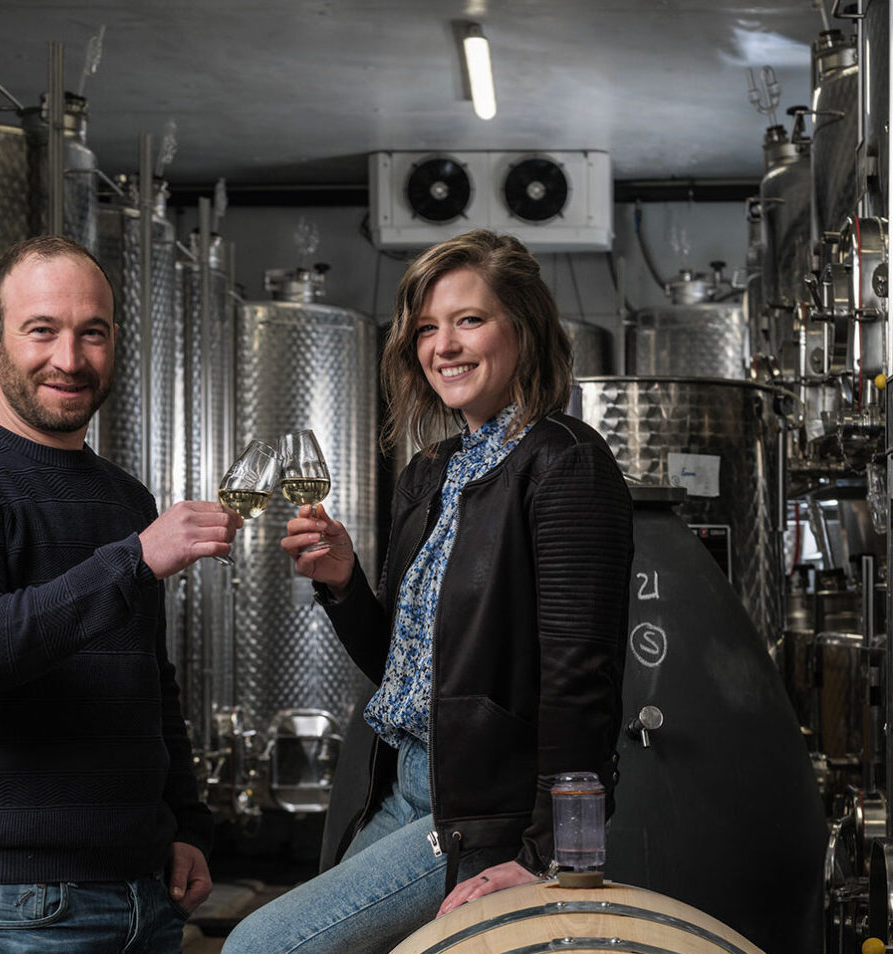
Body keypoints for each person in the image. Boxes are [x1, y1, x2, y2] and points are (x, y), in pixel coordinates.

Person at [222, 229, 634, 954]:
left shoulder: (565, 464)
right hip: (400, 786)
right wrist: (345, 585)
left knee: (261, 947)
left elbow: (582, 683)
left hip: (482, 818)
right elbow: (411, 675)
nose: (444, 345)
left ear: (525, 327)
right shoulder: (430, 473)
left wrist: (553, 855)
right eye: (426, 329)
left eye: (469, 319)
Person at [0, 234, 242, 953]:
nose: (70, 360)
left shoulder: (124, 497)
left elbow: (150, 681)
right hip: (10, 905)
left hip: (146, 891)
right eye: (41, 331)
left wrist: (187, 824)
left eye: (92, 334)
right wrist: (134, 561)